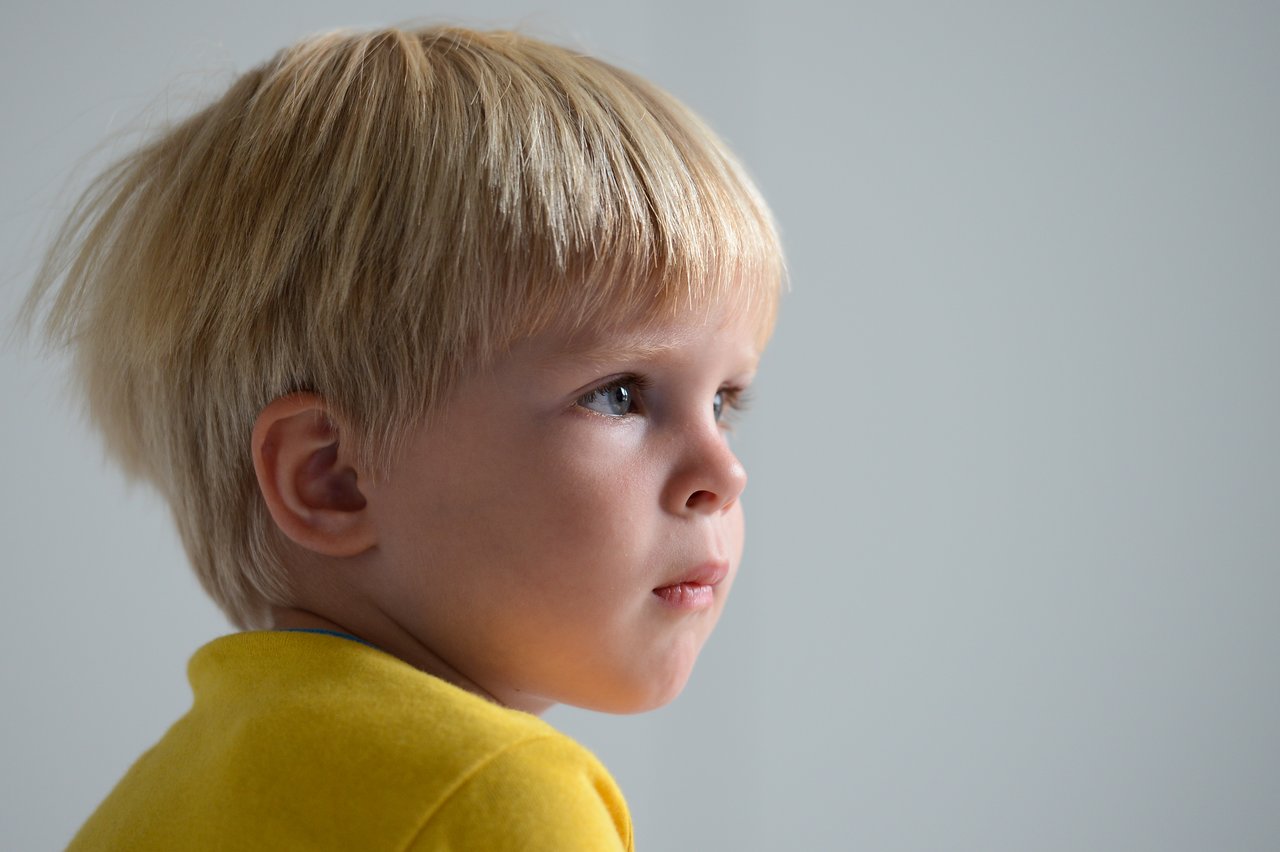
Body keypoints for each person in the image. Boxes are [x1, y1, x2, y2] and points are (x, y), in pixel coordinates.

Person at [26, 23, 784, 851]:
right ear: (334, 478)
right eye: (618, 394)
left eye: (725, 401)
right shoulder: (498, 802)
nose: (723, 472)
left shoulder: (157, 800)